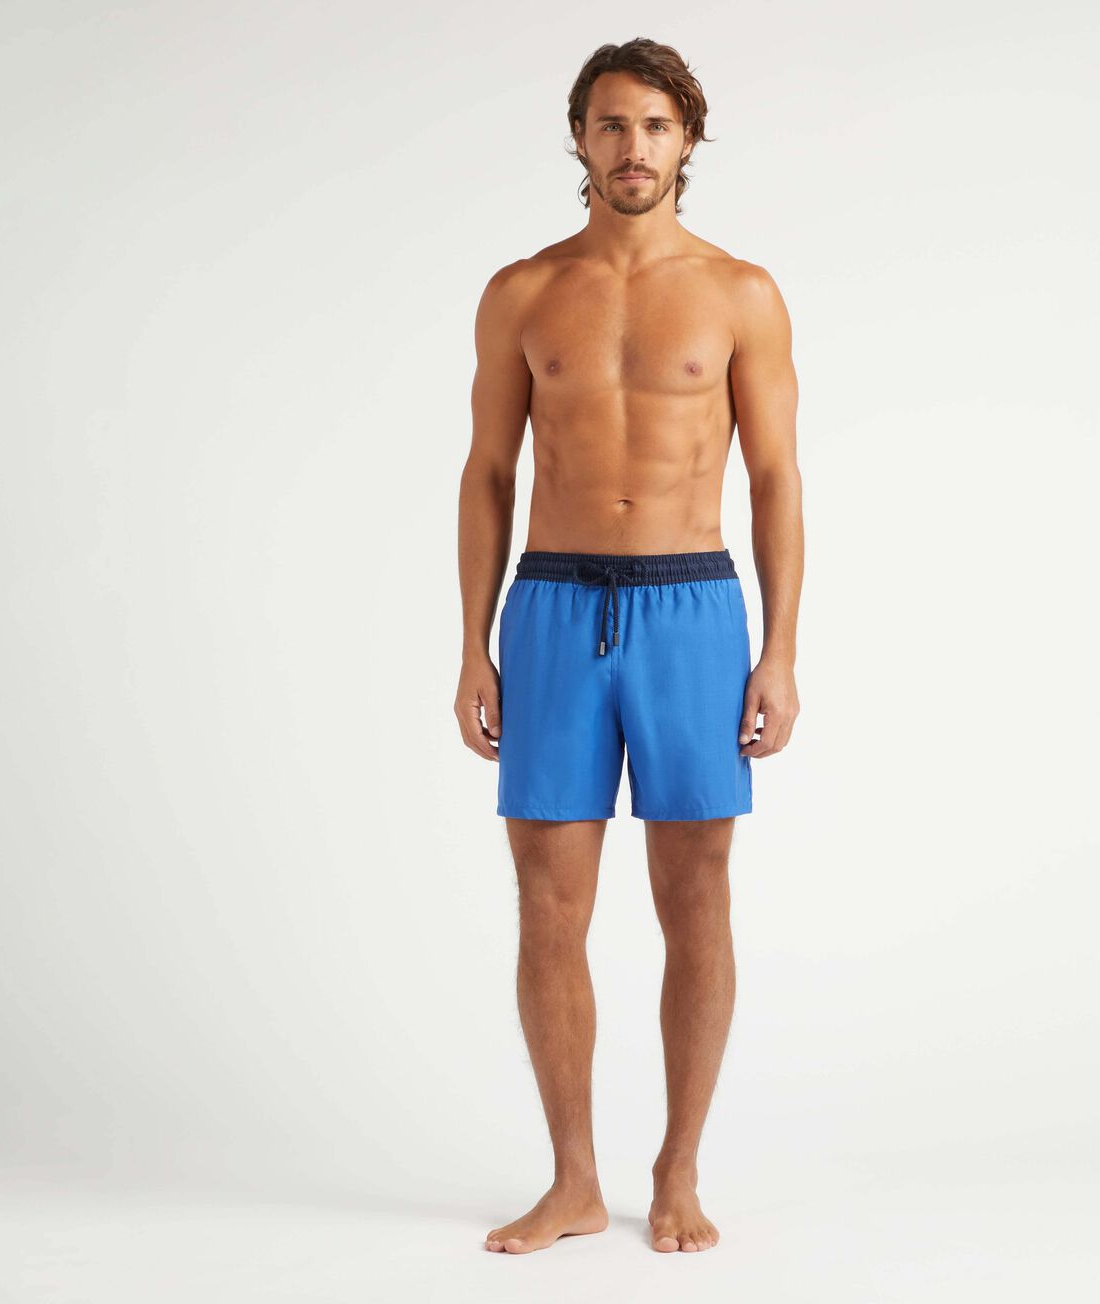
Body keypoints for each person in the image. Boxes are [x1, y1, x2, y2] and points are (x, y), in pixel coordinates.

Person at [454, 37, 803, 1255]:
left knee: (695, 893)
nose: (632, 147)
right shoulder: (522, 291)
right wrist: (472, 645)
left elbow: (774, 476)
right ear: (579, 138)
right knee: (548, 902)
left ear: (686, 139)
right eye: (610, 125)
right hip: (551, 606)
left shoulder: (740, 292)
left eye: (654, 125)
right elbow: (487, 471)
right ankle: (569, 1178)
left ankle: (677, 1168)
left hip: (691, 608)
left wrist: (779, 651)